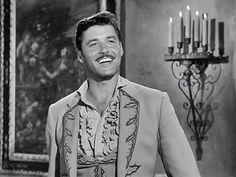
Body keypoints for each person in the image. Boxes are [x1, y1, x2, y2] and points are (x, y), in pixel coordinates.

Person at [45, 11, 201, 177]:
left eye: (110, 41)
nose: (104, 50)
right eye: (93, 44)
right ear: (80, 56)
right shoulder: (57, 113)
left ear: (120, 49)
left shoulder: (156, 103)